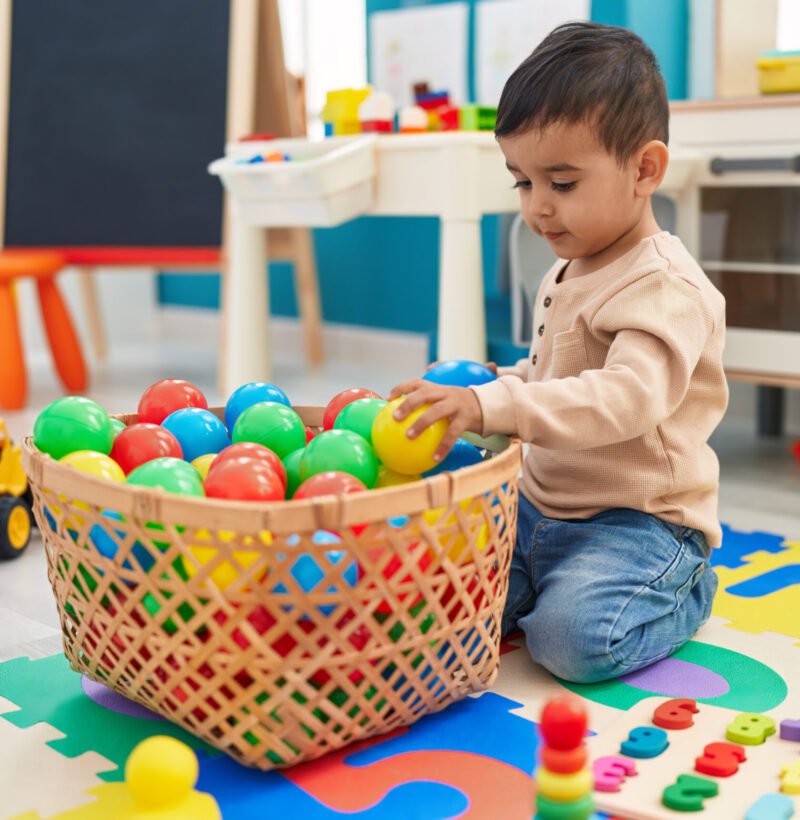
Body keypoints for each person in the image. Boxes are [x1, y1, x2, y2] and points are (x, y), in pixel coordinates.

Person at [389, 21, 727, 683]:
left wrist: (494, 405)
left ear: (644, 169)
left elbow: (624, 397)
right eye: (522, 182)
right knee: (444, 605)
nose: (538, 208)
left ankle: (685, 591)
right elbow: (555, 374)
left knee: (573, 644)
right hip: (538, 506)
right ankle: (548, 585)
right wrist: (495, 382)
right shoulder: (570, 262)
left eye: (562, 183)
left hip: (638, 524)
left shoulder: (664, 286)